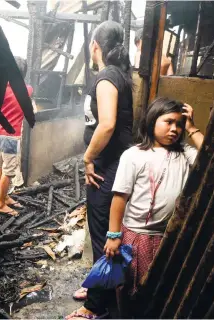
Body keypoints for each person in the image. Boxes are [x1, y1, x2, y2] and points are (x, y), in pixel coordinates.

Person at [103, 98, 204, 317]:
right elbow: (120, 198)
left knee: (163, 291)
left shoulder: (185, 154)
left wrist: (192, 127)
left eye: (179, 124)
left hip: (169, 237)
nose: (174, 129)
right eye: (168, 122)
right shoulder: (134, 155)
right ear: (152, 121)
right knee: (133, 290)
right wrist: (113, 235)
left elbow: (212, 157)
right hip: (137, 237)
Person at [67, 20, 134, 319]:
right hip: (113, 164)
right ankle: (99, 286)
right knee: (101, 231)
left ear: (95, 45)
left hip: (107, 166)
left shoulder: (106, 76)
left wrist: (87, 158)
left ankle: (95, 307)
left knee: (103, 234)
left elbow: (106, 124)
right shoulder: (119, 74)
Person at [0, 56, 35, 217]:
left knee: (0, 167)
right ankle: (0, 203)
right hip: (11, 137)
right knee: (8, 172)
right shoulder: (27, 89)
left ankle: (5, 197)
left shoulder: (1, 89)